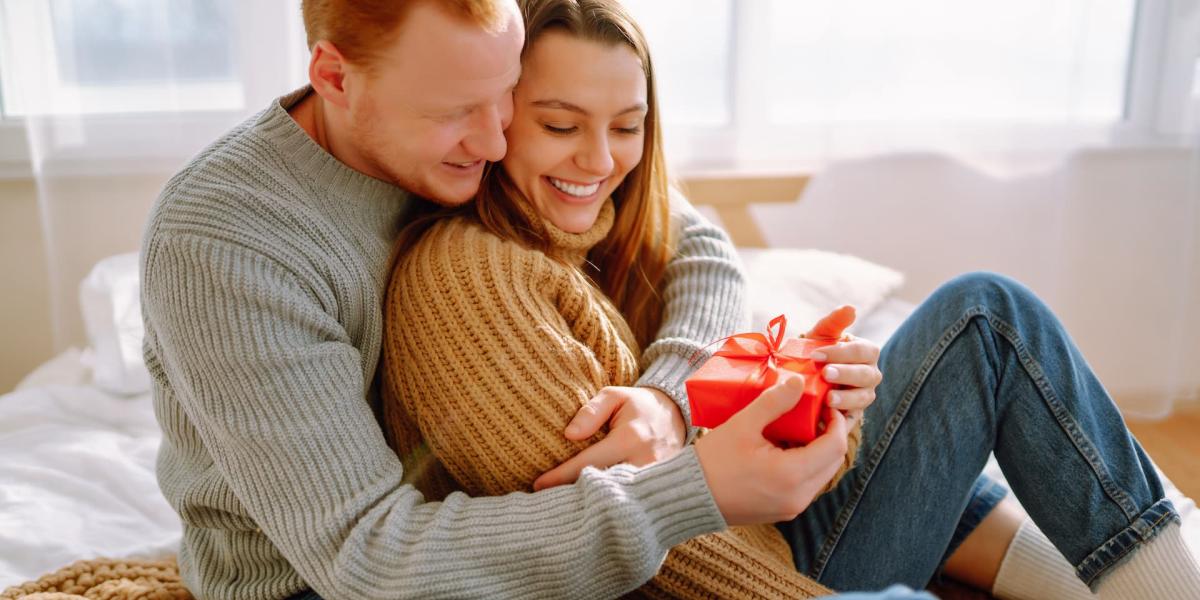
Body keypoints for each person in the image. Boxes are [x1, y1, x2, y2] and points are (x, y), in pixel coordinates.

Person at [377, 1, 1200, 600]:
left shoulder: (595, 239)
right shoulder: (472, 281)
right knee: (987, 322)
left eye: (626, 125)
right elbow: (633, 550)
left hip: (767, 533)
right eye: (560, 125)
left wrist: (820, 421)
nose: (600, 159)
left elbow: (700, 257)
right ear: (500, 117)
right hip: (753, 576)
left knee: (963, 353)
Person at [140, 0, 880, 598]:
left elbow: (693, 239)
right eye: (459, 110)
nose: (496, 142)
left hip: (519, 531)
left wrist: (669, 395)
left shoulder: (461, 121)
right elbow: (369, 563)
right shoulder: (227, 242)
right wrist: (690, 491)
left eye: (508, 99)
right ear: (334, 77)